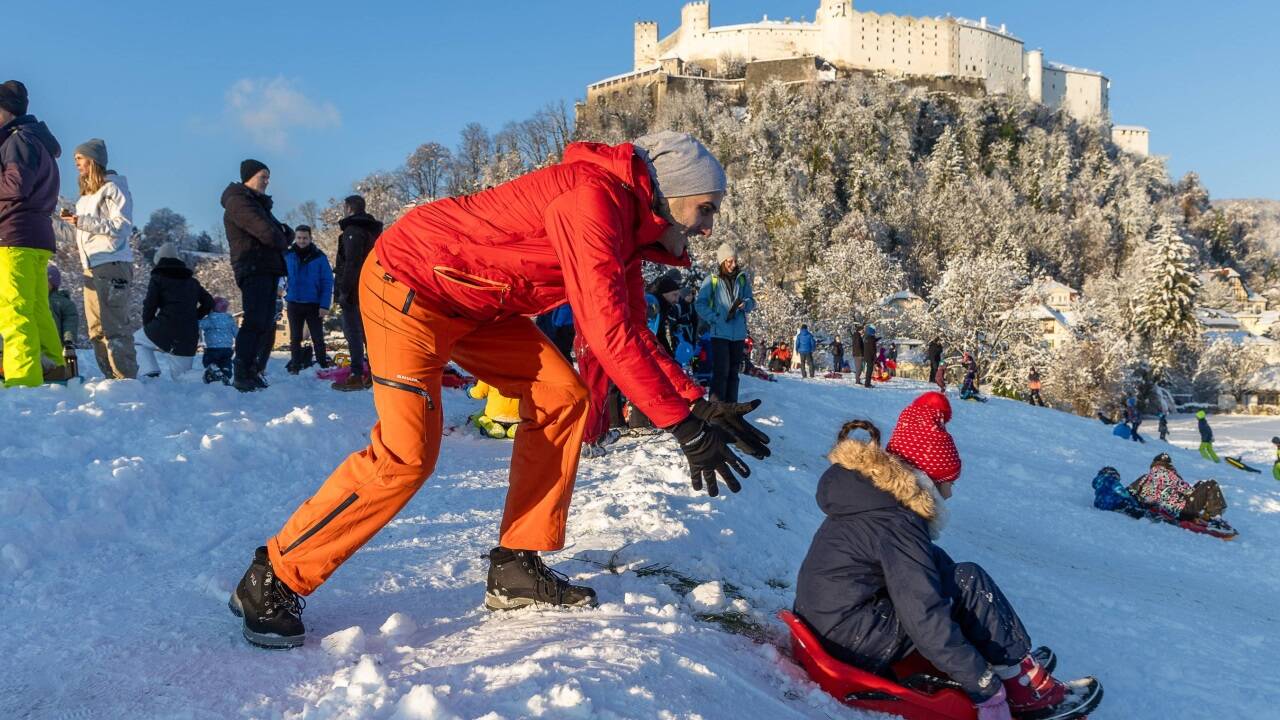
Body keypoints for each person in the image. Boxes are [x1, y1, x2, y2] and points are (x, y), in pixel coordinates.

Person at [229, 130, 772, 649]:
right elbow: (606, 334)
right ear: (670, 192)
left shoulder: (626, 228)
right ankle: (275, 574)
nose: (708, 226)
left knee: (564, 398)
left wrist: (696, 403)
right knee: (407, 455)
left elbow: (628, 328)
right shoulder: (592, 202)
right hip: (409, 285)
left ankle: (517, 563)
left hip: (476, 305)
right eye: (706, 208)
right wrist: (680, 425)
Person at [794, 392, 1100, 720]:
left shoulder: (874, 501)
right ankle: (1019, 683)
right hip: (851, 638)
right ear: (925, 479)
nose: (950, 494)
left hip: (832, 623)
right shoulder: (896, 521)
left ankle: (1006, 655)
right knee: (966, 581)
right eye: (946, 484)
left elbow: (927, 575)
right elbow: (923, 614)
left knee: (945, 569)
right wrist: (982, 683)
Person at [0, 80, 66, 388]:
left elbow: (16, 185)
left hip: (13, 235)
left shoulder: (18, 141)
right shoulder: (38, 140)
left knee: (14, 311)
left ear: (5, 111)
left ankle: (22, 382)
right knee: (38, 308)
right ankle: (53, 371)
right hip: (37, 237)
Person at [65, 137, 138, 380]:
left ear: (94, 160)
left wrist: (82, 221)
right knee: (96, 328)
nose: (76, 162)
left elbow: (123, 226)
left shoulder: (113, 188)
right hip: (91, 265)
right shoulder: (85, 196)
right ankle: (110, 377)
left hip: (112, 262)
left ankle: (125, 378)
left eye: (80, 158)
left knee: (114, 324)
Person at [223, 159, 292, 392]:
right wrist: (280, 237)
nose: (267, 180)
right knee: (254, 320)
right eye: (263, 175)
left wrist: (281, 234)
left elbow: (280, 231)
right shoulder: (239, 201)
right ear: (249, 177)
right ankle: (242, 371)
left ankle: (251, 370)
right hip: (253, 266)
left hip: (266, 266)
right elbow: (268, 232)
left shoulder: (258, 204)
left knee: (263, 321)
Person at [134, 243, 214, 380]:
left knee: (135, 341)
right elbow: (209, 302)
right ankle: (207, 376)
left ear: (158, 260)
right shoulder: (192, 282)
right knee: (182, 377)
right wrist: (194, 317)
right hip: (189, 334)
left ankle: (150, 370)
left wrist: (149, 325)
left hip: (163, 328)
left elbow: (149, 305)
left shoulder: (158, 278)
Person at [332, 194, 382, 391]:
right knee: (369, 334)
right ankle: (374, 372)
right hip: (371, 288)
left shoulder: (352, 231)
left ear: (348, 208)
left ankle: (356, 374)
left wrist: (344, 291)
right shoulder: (373, 232)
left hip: (354, 291)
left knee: (353, 333)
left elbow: (351, 263)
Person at [697, 242, 754, 402]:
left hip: (738, 335)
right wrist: (715, 318)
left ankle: (731, 408)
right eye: (729, 261)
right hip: (720, 333)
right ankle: (716, 410)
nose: (733, 264)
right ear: (722, 261)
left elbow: (752, 301)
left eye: (735, 260)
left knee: (734, 373)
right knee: (721, 372)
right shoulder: (712, 280)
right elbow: (700, 304)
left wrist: (746, 304)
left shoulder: (742, 279)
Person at [283, 225, 333, 374]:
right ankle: (295, 366)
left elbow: (327, 281)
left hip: (314, 303)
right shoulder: (288, 255)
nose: (302, 241)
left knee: (318, 337)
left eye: (305, 238)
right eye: (299, 238)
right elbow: (280, 275)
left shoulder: (319, 257)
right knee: (295, 337)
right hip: (293, 302)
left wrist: (324, 305)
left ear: (310, 238)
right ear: (295, 238)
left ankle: (322, 364)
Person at [1128, 453, 1227, 522]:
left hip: (1162, 508)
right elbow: (1188, 491)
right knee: (1210, 485)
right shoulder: (1169, 474)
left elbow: (1130, 491)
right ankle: (1215, 518)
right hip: (1180, 511)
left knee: (1200, 484)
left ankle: (1207, 513)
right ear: (1168, 464)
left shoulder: (1145, 477)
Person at [44, 264, 78, 382]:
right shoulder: (34, 299)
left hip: (55, 342)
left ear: (53, 284)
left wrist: (68, 340)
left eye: (45, 281)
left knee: (54, 361)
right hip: (37, 340)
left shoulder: (63, 303)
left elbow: (70, 322)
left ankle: (61, 374)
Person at [200, 297, 237, 385]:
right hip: (227, 349)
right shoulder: (229, 320)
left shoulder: (209, 319)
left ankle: (212, 367)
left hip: (213, 348)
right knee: (226, 361)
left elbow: (199, 325)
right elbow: (236, 332)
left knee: (209, 360)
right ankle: (226, 372)